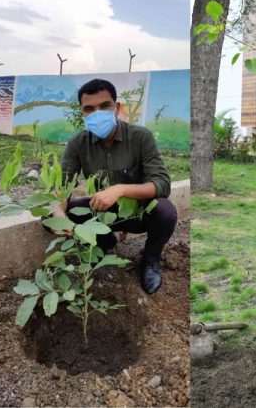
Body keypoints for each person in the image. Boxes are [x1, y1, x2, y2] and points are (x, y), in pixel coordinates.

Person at [56, 79, 176, 295]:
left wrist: (119, 189)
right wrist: (58, 213)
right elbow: (62, 187)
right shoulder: (77, 144)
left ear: (117, 107)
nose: (97, 112)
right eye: (89, 109)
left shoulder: (140, 137)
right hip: (102, 213)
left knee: (165, 211)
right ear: (82, 113)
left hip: (138, 213)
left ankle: (150, 259)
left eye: (104, 106)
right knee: (55, 215)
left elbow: (162, 184)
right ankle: (104, 241)